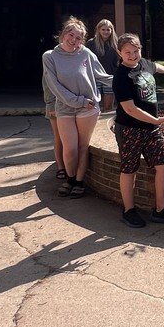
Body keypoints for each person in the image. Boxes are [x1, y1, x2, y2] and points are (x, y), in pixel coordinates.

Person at [113, 33, 164, 227]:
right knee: (129, 169)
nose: (132, 55)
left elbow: (154, 66)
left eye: (135, 51)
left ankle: (161, 210)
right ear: (120, 53)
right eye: (127, 52)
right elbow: (129, 109)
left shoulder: (143, 63)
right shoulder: (121, 76)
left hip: (151, 129)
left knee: (163, 166)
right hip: (130, 129)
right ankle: (129, 211)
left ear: (140, 49)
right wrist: (156, 120)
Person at [42, 16, 113, 198]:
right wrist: (77, 101)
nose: (73, 40)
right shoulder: (50, 56)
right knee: (70, 148)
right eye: (70, 34)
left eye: (78, 37)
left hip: (88, 107)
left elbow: (102, 76)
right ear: (63, 33)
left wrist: (129, 76)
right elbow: (54, 86)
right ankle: (70, 177)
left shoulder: (86, 54)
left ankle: (78, 181)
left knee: (83, 146)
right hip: (65, 108)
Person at [87, 19, 120, 112]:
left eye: (108, 29)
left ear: (111, 30)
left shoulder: (115, 44)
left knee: (108, 107)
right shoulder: (91, 43)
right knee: (93, 106)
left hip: (109, 77)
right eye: (103, 29)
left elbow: (119, 61)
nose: (106, 32)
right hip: (95, 77)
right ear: (98, 30)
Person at [41, 73, 66, 181]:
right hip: (55, 105)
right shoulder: (50, 57)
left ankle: (70, 167)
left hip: (73, 104)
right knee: (59, 136)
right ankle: (61, 167)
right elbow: (47, 84)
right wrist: (51, 103)